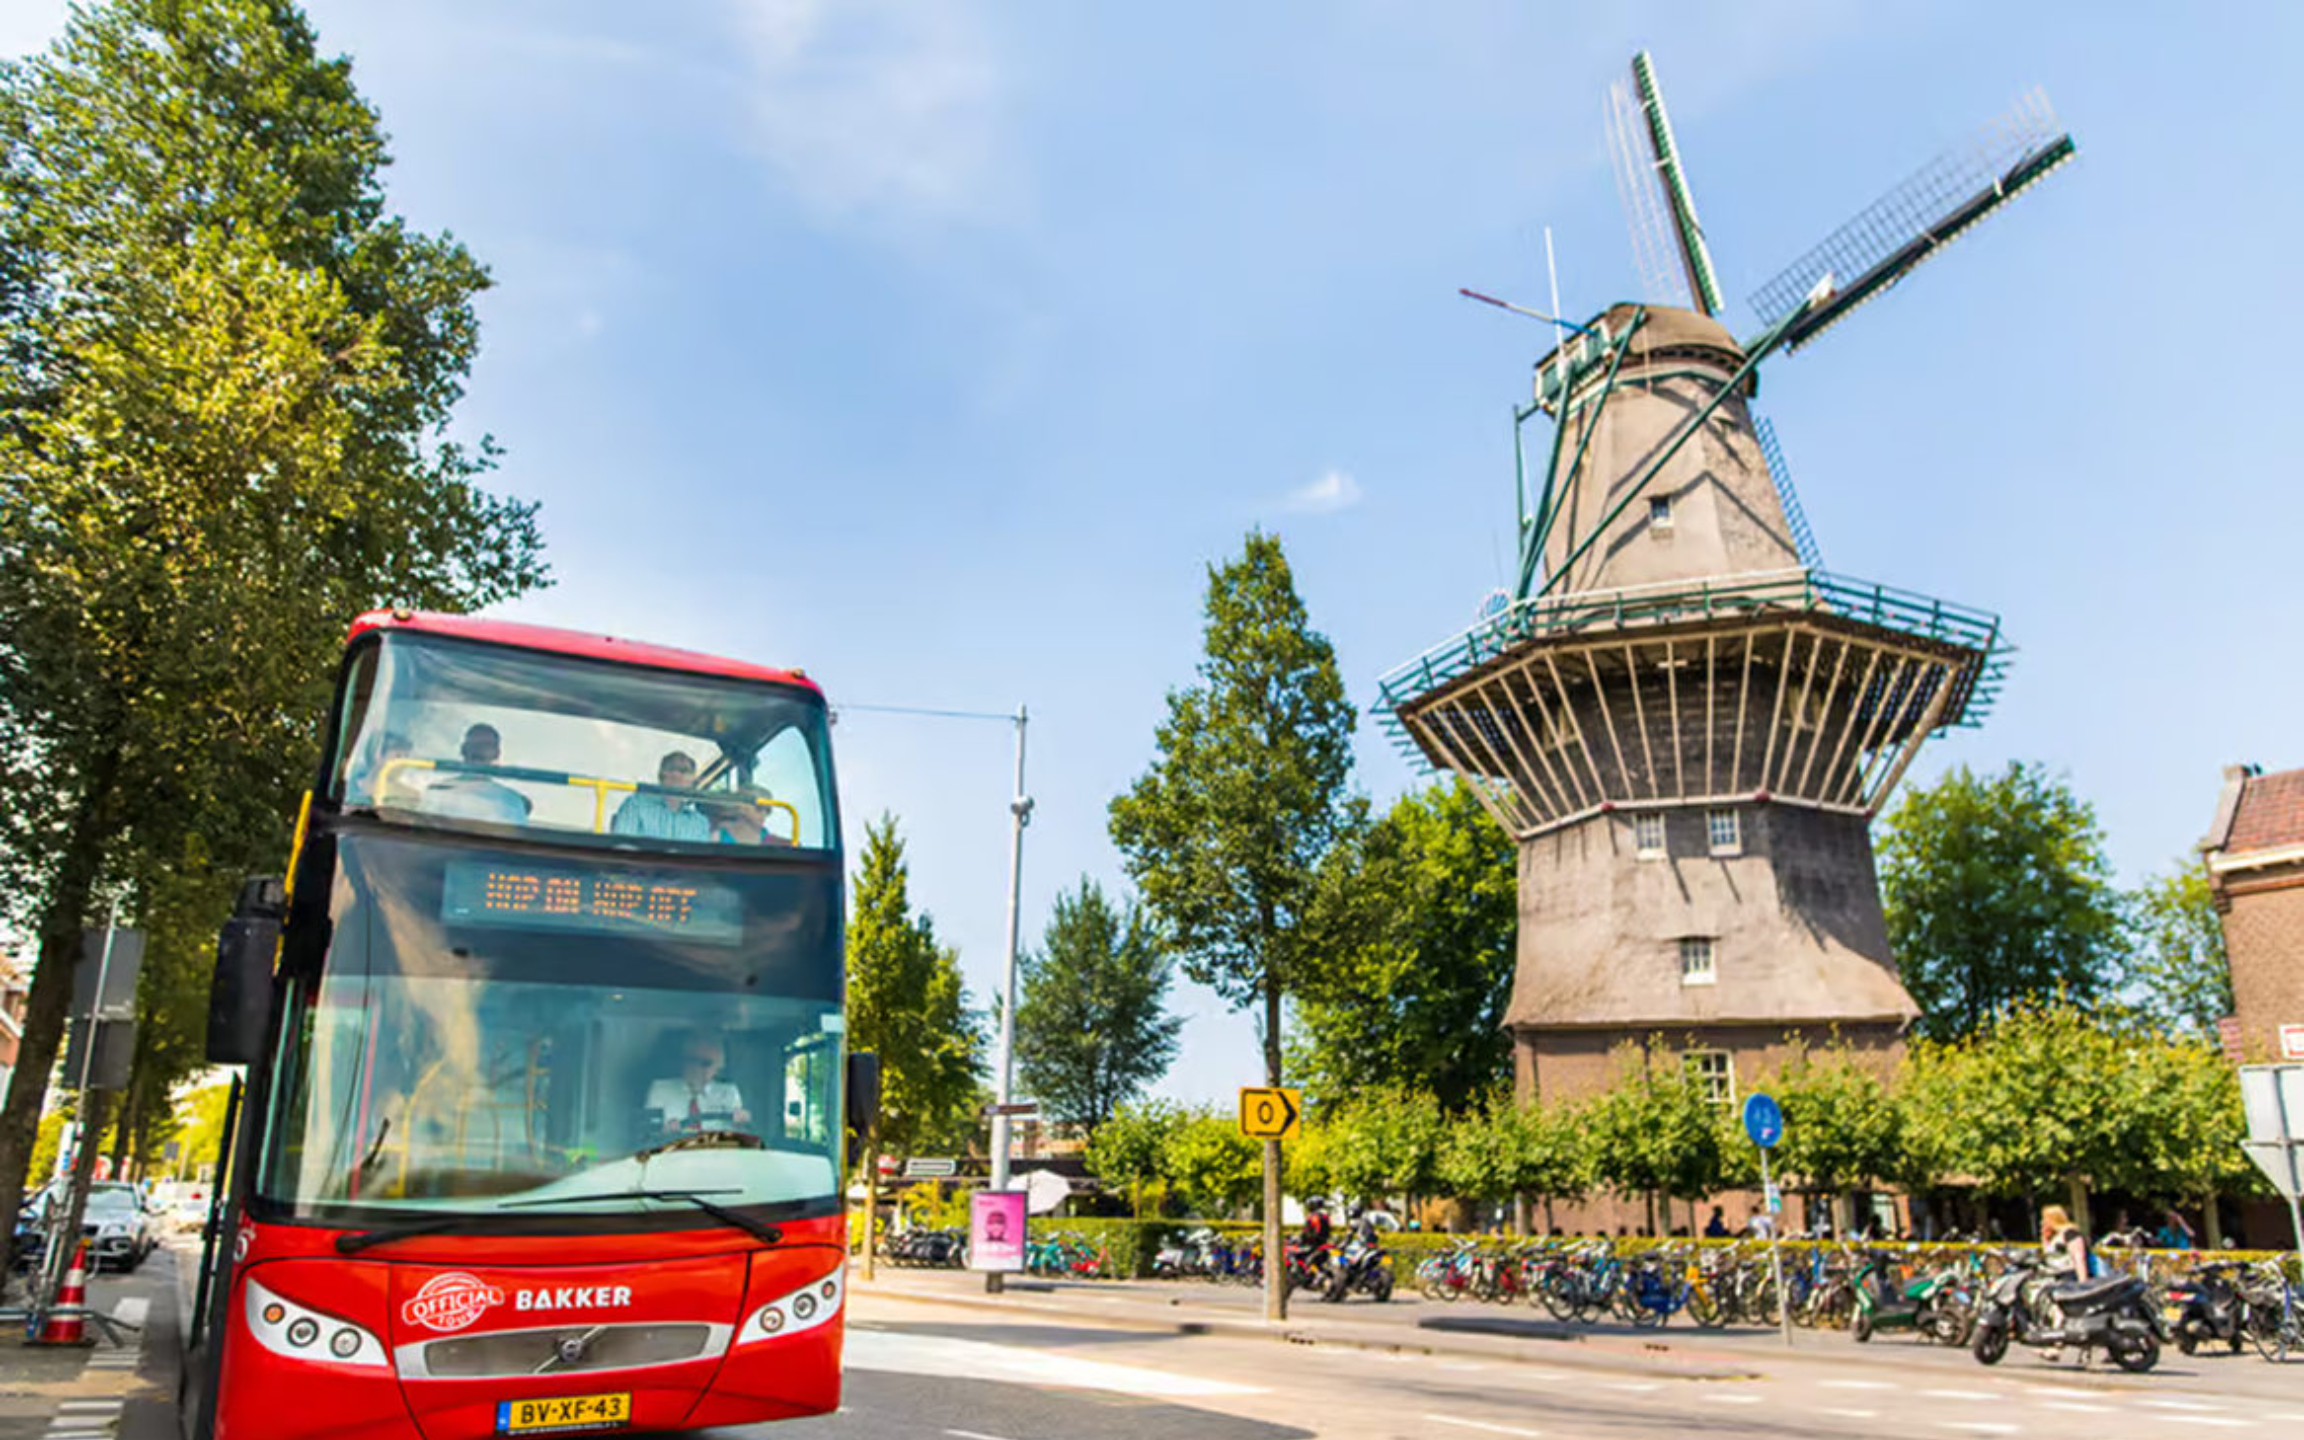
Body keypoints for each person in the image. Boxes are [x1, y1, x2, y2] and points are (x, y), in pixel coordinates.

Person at [420, 724, 531, 824]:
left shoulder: (511, 801)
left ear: (497, 753)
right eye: (474, 745)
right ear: (463, 749)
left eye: (486, 745)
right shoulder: (436, 792)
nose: (479, 750)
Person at [644, 1030, 751, 1135]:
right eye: (704, 1064)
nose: (708, 1073)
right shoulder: (661, 1091)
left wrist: (742, 1125)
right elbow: (650, 1138)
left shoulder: (728, 1093)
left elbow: (739, 1139)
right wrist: (665, 1133)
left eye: (715, 1068)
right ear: (685, 1062)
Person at [612, 750, 713, 842]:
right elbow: (622, 847)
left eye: (684, 771)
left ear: (692, 780)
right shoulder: (635, 805)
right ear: (661, 774)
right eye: (672, 768)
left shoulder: (699, 822)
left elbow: (701, 859)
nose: (677, 774)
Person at [2040, 1204, 2091, 1276]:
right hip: (2056, 1275)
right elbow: (2048, 1255)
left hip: (2070, 1275)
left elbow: (2079, 1259)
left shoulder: (2070, 1233)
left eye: (2045, 1218)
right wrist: (2045, 1238)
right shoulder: (2055, 1236)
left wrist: (2083, 1283)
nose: (2042, 1222)